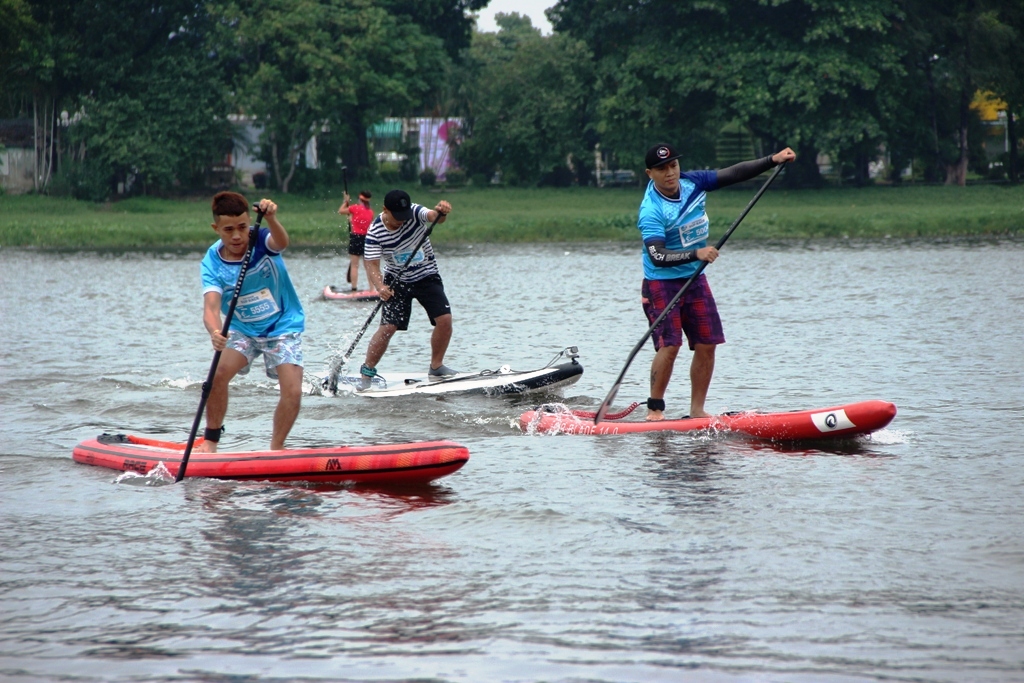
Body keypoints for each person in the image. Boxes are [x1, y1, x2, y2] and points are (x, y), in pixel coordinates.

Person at [638, 142, 796, 421]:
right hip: (661, 283)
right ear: (650, 173)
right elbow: (657, 255)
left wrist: (773, 160)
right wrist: (696, 253)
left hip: (695, 278)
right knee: (670, 344)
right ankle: (655, 411)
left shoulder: (693, 182)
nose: (670, 173)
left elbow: (733, 173)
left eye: (673, 165)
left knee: (707, 342)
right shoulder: (651, 209)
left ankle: (697, 410)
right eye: (662, 169)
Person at [198, 191, 305, 452]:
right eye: (229, 229)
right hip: (243, 330)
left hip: (282, 326)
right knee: (217, 376)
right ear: (216, 229)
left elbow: (281, 242)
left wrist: (272, 219)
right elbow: (211, 308)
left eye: (242, 227)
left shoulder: (260, 238)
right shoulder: (212, 262)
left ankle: (276, 448)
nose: (237, 236)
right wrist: (214, 331)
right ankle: (210, 441)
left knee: (293, 391)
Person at [359, 189, 454, 385]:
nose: (402, 221)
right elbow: (371, 264)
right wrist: (380, 286)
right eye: (397, 217)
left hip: (426, 274)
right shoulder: (375, 232)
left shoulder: (414, 212)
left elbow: (433, 217)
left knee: (444, 319)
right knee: (388, 327)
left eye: (404, 216)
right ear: (385, 210)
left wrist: (441, 212)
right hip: (397, 280)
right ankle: (367, 372)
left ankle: (436, 367)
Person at [337, 189, 375, 291]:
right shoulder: (371, 212)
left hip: (356, 238)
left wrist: (346, 201)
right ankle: (372, 289)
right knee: (368, 266)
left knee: (354, 265)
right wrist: (352, 219)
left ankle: (354, 288)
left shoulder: (354, 208)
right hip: (367, 239)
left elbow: (340, 211)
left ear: (360, 199)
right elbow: (366, 223)